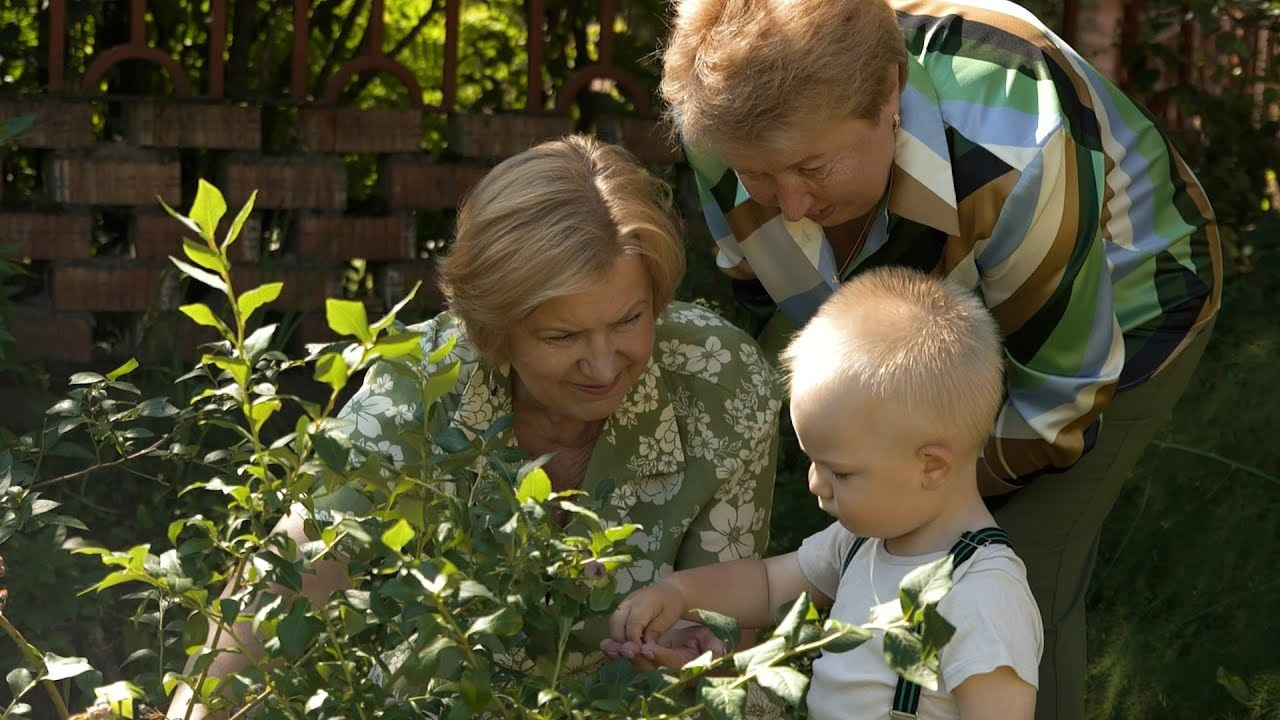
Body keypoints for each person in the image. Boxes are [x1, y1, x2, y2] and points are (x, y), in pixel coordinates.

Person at [659, 0, 1221, 717]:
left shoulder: (1018, 137)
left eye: (810, 167)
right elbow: (790, 317)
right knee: (874, 532)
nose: (788, 206)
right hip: (921, 325)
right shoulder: (721, 128)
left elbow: (1062, 396)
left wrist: (921, 492)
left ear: (889, 96)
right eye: (758, 178)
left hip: (1126, 309)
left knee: (1008, 576)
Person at [167, 135, 782, 717]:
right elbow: (300, 566)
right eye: (561, 335)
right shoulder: (424, 386)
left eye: (629, 319)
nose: (602, 364)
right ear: (495, 330)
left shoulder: (719, 383)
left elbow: (728, 638)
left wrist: (693, 658)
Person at [607, 266, 1042, 719]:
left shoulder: (982, 597)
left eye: (841, 473)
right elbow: (768, 584)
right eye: (814, 462)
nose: (815, 483)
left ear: (931, 466)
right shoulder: (861, 543)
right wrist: (679, 592)